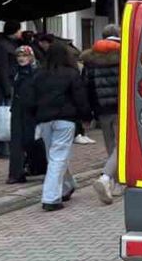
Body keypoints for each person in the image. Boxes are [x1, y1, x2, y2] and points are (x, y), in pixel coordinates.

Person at [20, 42, 90, 211]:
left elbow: (30, 99)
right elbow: (80, 97)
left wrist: (34, 116)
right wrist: (86, 116)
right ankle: (51, 198)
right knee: (58, 157)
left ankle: (67, 186)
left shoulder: (38, 74)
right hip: (65, 119)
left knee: (54, 156)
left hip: (44, 120)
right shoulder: (71, 73)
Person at [81, 24, 122, 204]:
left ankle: (113, 181)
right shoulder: (125, 52)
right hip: (121, 108)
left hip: (102, 109)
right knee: (121, 146)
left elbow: (87, 86)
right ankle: (111, 180)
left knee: (110, 144)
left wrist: (90, 112)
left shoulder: (91, 58)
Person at [6, 45, 42, 184]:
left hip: (33, 110)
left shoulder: (37, 71)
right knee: (16, 142)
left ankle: (36, 166)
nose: (21, 58)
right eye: (19, 56)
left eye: (25, 56)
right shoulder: (15, 72)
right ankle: (16, 173)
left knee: (32, 140)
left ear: (31, 56)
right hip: (18, 109)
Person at [0, 21, 24, 157]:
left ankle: (10, 146)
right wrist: (6, 88)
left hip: (13, 83)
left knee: (11, 117)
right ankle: (3, 148)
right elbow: (2, 68)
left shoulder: (13, 44)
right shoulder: (2, 45)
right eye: (19, 30)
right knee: (4, 117)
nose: (21, 32)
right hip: (7, 85)